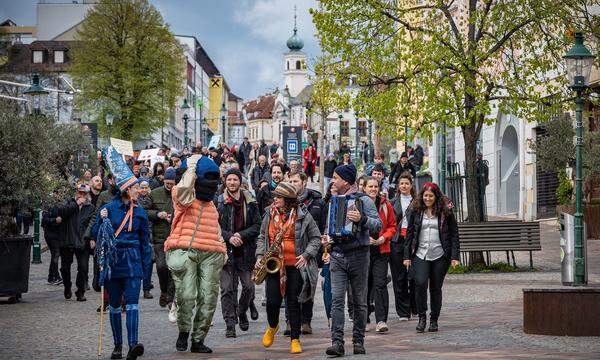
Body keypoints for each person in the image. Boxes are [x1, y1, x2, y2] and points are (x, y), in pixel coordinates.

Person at [92, 146, 152, 360]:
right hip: (114, 261)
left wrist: (146, 273)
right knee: (116, 305)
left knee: (133, 304)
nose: (138, 189)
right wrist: (103, 220)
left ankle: (133, 345)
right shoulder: (107, 208)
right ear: (127, 189)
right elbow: (95, 236)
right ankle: (118, 346)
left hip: (133, 260)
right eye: (135, 187)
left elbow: (146, 244)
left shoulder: (141, 212)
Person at [164, 154, 226, 354]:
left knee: (208, 298)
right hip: (185, 250)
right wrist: (192, 167)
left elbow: (216, 230)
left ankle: (198, 339)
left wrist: (223, 249)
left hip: (210, 253)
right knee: (187, 295)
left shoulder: (212, 207)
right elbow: (184, 190)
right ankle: (184, 331)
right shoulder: (183, 198)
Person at [322, 164, 382, 357]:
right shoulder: (333, 200)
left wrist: (361, 219)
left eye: (335, 178)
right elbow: (329, 226)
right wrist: (326, 238)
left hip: (359, 256)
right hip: (338, 255)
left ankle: (358, 341)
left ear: (345, 181)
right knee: (337, 300)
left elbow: (377, 225)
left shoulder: (364, 200)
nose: (333, 181)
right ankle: (337, 343)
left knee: (359, 301)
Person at [256, 182, 321, 354]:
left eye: (278, 197)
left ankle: (295, 339)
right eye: (274, 196)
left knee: (293, 302)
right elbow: (263, 236)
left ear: (288, 199)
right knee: (272, 302)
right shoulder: (269, 214)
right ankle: (272, 326)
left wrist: (306, 255)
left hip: (295, 265)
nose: (274, 199)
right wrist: (259, 256)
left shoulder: (303, 215)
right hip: (274, 264)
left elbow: (316, 238)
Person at [403, 182, 460, 333]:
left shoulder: (445, 211)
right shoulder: (416, 210)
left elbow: (454, 234)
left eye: (431, 196)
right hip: (420, 254)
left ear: (436, 197)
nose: (427, 198)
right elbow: (409, 234)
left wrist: (454, 256)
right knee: (420, 284)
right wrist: (407, 256)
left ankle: (434, 319)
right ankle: (422, 317)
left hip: (440, 255)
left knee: (436, 288)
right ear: (422, 196)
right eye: (425, 196)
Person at [216, 168, 261, 338]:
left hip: (245, 251)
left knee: (249, 287)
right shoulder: (219, 202)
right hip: (226, 252)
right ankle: (230, 323)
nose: (232, 183)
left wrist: (240, 235)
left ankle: (242, 311)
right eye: (229, 180)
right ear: (225, 182)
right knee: (227, 289)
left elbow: (257, 225)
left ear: (240, 182)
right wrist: (229, 237)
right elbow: (214, 226)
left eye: (235, 180)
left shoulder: (250, 201)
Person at [288, 172, 326, 334]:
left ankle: (306, 321)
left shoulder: (317, 202)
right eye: (290, 181)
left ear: (304, 182)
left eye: (295, 181)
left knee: (308, 284)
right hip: (291, 251)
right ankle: (290, 321)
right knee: (290, 287)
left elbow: (323, 227)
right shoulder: (285, 201)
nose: (292, 183)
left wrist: (323, 248)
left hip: (311, 250)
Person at [364, 177, 396, 333]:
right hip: (363, 252)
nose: (373, 189)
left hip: (381, 250)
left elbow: (392, 226)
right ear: (363, 188)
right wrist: (364, 238)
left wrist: (384, 238)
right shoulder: (358, 204)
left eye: (375, 186)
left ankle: (381, 320)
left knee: (380, 284)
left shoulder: (385, 205)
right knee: (363, 286)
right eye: (370, 186)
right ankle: (363, 319)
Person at [145, 167, 176, 309]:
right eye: (168, 183)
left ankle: (170, 297)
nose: (170, 186)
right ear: (164, 181)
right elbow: (144, 210)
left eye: (172, 183)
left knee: (173, 268)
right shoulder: (155, 193)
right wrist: (158, 214)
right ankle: (164, 291)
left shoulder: (180, 194)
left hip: (176, 238)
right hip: (159, 237)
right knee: (162, 266)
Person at [58, 183, 95, 302]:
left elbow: (92, 224)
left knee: (83, 268)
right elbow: (62, 213)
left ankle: (80, 291)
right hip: (67, 240)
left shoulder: (90, 208)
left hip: (82, 241)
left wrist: (92, 238)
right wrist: (76, 204)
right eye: (80, 192)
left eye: (85, 193)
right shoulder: (68, 203)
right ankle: (67, 286)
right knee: (65, 268)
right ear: (76, 192)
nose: (82, 195)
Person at [390, 173, 416, 320]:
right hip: (397, 240)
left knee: (414, 276)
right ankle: (403, 311)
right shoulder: (392, 202)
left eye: (407, 183)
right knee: (399, 277)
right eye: (402, 184)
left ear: (411, 185)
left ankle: (414, 306)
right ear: (398, 186)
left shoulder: (418, 202)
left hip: (413, 241)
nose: (404, 186)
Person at [42, 194, 63, 285]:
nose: (58, 195)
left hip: (57, 234)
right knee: (56, 254)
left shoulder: (62, 204)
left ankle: (51, 277)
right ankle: (56, 277)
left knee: (54, 254)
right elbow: (44, 220)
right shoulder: (48, 205)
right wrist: (55, 220)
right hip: (50, 234)